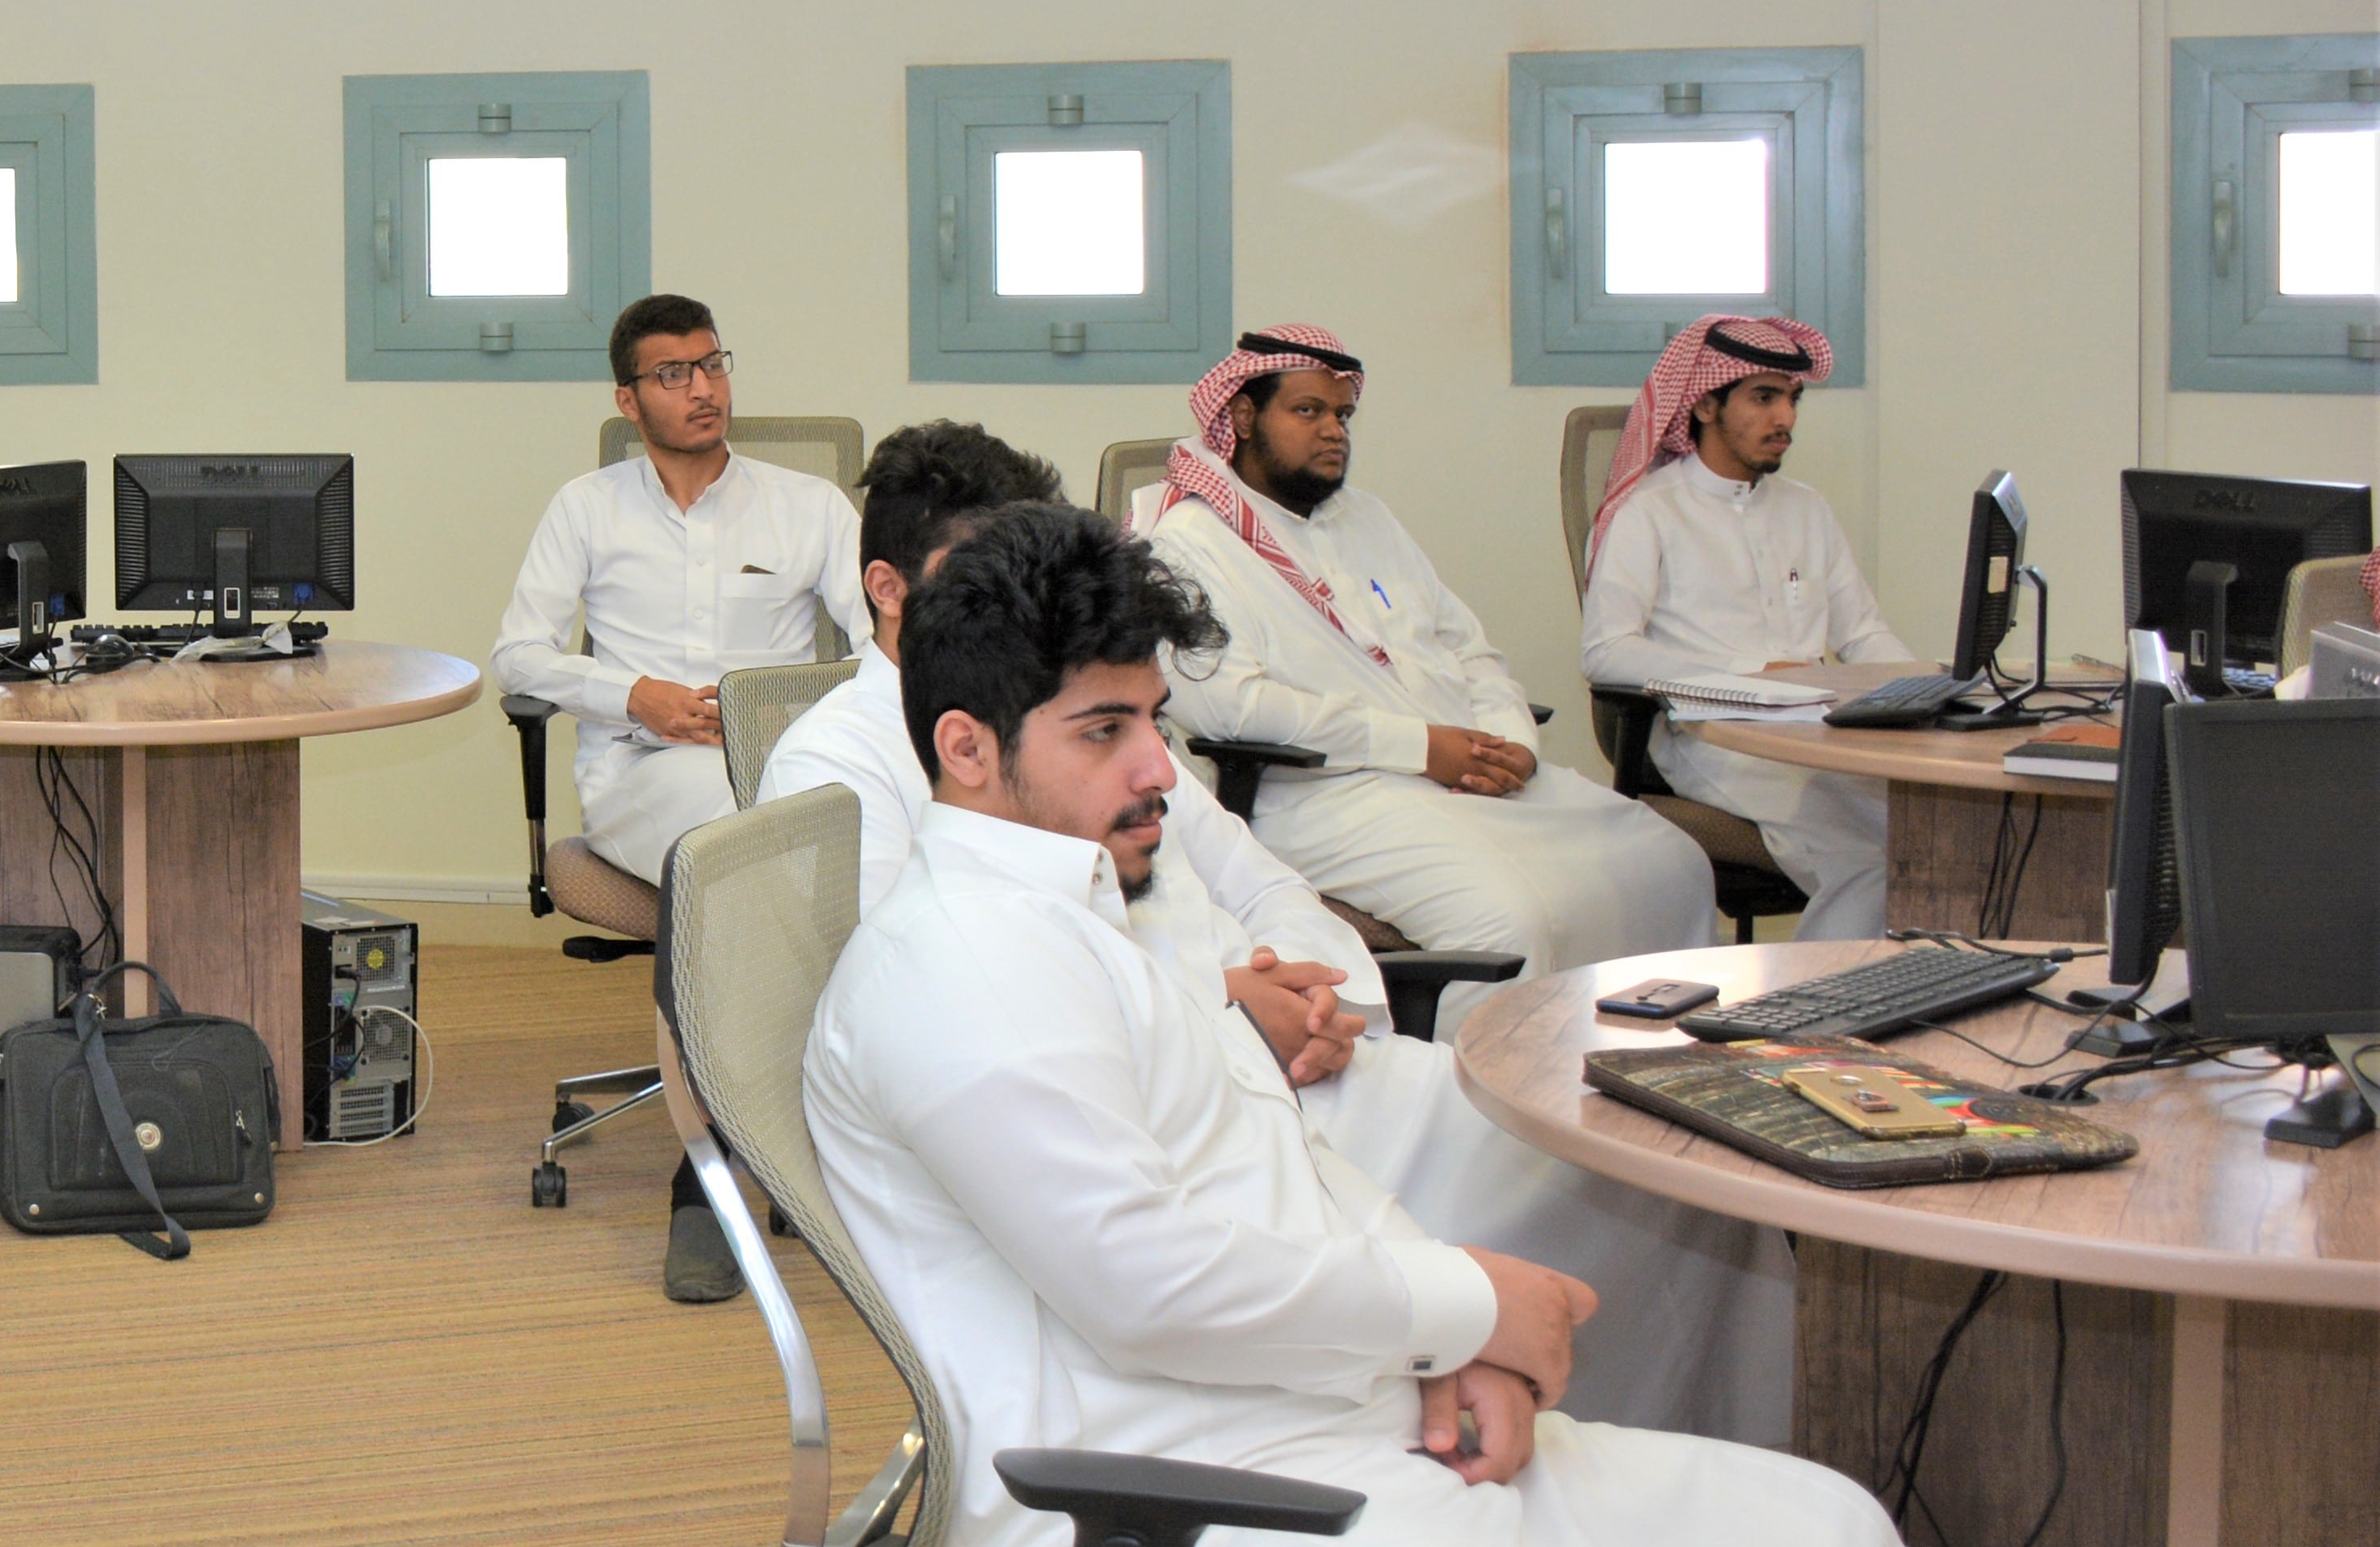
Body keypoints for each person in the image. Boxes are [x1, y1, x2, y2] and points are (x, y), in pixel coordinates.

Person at [798, 504, 1980, 1547]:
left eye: (1153, 721)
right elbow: (1151, 1285)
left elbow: (1287, 1169)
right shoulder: (960, 967)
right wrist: (1475, 1304)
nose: (1157, 766)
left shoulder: (1087, 911)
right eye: (1104, 731)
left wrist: (1451, 1336)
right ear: (967, 749)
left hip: (1313, 1447)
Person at [762, 425, 1789, 1442]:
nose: (1021, 594)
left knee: (1670, 1155)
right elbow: (978, 1010)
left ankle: (1689, 1430)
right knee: (1630, 1196)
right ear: (895, 592)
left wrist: (1321, 998)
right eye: (980, 570)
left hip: (1293, 1073)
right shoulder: (852, 766)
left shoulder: (1109, 723)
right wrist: (1228, 1004)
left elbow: (1263, 880)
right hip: (1180, 1120)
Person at [487, 292, 863, 1306]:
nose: (703, 388)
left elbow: (882, 649)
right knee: (725, 854)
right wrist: (634, 695)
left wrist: (780, 713)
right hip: (640, 771)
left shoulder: (809, 507)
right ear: (629, 398)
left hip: (779, 767)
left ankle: (765, 1134)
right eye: (673, 373)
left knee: (764, 847)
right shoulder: (586, 507)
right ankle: (710, 1174)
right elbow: (517, 654)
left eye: (713, 364)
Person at [1144, 325, 1709, 981]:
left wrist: (1512, 741)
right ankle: (1494, 1055)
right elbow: (1230, 710)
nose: (1333, 431)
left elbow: (1468, 647)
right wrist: (1421, 747)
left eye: (1342, 415)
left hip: (1464, 776)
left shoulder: (1368, 519)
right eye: (1308, 411)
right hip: (1326, 796)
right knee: (1508, 922)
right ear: (1243, 417)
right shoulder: (1186, 543)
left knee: (1673, 865)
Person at [1580, 314, 1900, 938]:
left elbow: (1863, 634)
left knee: (1940, 836)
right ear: (1705, 403)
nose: (1785, 418)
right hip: (1715, 741)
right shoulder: (1650, 512)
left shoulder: (1807, 508)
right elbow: (1606, 651)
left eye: (1793, 399)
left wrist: (1922, 693)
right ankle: (1822, 1001)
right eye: (1764, 398)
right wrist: (1748, 678)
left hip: (1820, 735)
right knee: (1865, 861)